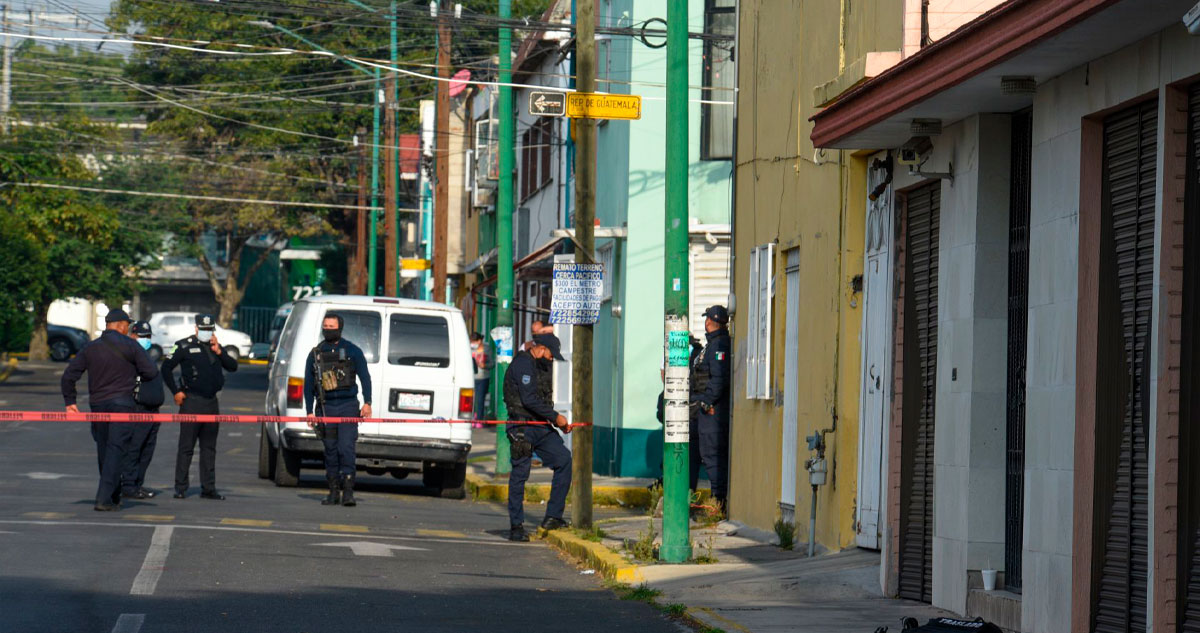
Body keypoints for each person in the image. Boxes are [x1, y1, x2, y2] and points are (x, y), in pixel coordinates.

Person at [60, 308, 159, 511]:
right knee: (116, 450)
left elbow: (69, 376)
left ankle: (113, 495)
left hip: (98, 406)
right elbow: (151, 371)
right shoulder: (131, 345)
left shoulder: (91, 347)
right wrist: (133, 373)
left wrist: (70, 401)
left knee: (104, 450)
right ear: (121, 325)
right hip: (122, 405)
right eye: (127, 325)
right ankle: (104, 498)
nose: (128, 328)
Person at [163, 314, 238, 500]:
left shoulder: (215, 347)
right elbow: (166, 368)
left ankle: (208, 488)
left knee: (209, 448)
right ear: (196, 329)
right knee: (186, 447)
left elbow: (233, 366)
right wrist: (176, 391)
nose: (206, 332)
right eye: (203, 329)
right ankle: (181, 487)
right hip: (192, 402)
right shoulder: (183, 345)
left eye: (209, 329)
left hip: (211, 403)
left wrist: (219, 352)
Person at [503, 339, 571, 542]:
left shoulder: (539, 365)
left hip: (540, 426)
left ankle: (553, 517)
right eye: (551, 354)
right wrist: (556, 418)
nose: (551, 359)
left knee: (564, 459)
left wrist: (554, 422)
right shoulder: (523, 363)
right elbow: (529, 400)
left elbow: (541, 399)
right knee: (520, 474)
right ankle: (516, 526)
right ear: (541, 348)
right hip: (522, 427)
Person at [303, 314, 372, 507]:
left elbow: (365, 377)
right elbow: (308, 384)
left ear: (339, 328)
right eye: (325, 326)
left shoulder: (352, 350)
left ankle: (348, 492)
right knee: (330, 450)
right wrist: (309, 411)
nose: (328, 329)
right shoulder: (316, 353)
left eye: (331, 326)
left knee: (346, 448)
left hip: (347, 405)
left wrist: (368, 402)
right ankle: (333, 492)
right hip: (326, 407)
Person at [692, 305, 732, 516]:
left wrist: (707, 402)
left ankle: (719, 503)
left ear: (709, 322)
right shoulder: (713, 344)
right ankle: (717, 501)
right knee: (707, 455)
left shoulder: (719, 345)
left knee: (713, 456)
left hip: (713, 413)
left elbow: (719, 378)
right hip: (707, 411)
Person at [122, 320, 165, 500]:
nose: (145, 339)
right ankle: (128, 485)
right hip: (138, 409)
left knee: (147, 451)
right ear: (132, 336)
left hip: (153, 411)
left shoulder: (147, 355)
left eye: (148, 336)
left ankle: (137, 484)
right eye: (142, 336)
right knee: (134, 449)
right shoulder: (128, 356)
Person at [469, 332, 493, 424]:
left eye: (474, 342)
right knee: (471, 400)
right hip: (471, 377)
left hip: (483, 378)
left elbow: (492, 363)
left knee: (480, 399)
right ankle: (472, 417)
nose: (472, 344)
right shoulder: (469, 349)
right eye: (471, 342)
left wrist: (485, 365)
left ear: (479, 341)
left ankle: (479, 420)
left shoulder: (487, 349)